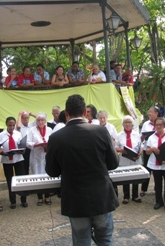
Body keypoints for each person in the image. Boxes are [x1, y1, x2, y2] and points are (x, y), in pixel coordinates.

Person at [45, 94, 119, 245]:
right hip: (101, 196)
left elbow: (52, 171)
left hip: (75, 198)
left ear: (66, 113)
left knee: (81, 242)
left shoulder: (56, 138)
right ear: (85, 112)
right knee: (105, 239)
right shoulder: (101, 131)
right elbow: (113, 164)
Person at [0, 117, 27, 209]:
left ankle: (23, 199)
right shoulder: (2, 135)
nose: (11, 127)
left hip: (18, 158)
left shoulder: (18, 134)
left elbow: (22, 145)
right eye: (9, 125)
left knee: (21, 179)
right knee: (10, 180)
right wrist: (3, 153)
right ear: (6, 125)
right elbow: (0, 147)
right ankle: (13, 200)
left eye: (13, 125)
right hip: (7, 160)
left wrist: (22, 150)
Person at [146, 117, 165, 210]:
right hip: (155, 164)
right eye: (156, 125)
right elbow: (147, 152)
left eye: (160, 125)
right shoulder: (151, 137)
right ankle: (159, 201)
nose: (158, 126)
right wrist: (152, 149)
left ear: (164, 125)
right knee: (157, 184)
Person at [26, 112, 53, 206]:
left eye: (42, 120)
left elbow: (53, 141)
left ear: (45, 121)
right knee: (38, 176)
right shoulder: (32, 130)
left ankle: (47, 196)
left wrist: (48, 145)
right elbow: (28, 143)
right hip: (36, 157)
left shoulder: (49, 129)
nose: (40, 122)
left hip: (46, 156)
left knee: (47, 176)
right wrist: (36, 144)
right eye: (38, 120)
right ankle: (39, 197)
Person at [115, 115, 143, 204]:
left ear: (132, 124)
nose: (128, 124)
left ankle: (135, 195)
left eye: (129, 122)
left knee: (135, 176)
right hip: (124, 158)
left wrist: (140, 152)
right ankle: (126, 196)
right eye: (126, 122)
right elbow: (115, 147)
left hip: (135, 158)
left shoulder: (137, 134)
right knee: (125, 177)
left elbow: (141, 145)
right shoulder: (119, 135)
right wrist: (121, 150)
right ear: (123, 124)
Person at [140, 106, 162, 197]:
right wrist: (143, 137)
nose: (149, 114)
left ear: (156, 113)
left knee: (158, 169)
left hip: (158, 149)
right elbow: (142, 136)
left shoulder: (163, 122)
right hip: (148, 149)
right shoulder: (146, 124)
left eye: (151, 112)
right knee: (147, 169)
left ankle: (158, 188)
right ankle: (143, 188)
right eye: (149, 112)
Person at [16, 111, 37, 175]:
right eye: (24, 118)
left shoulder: (31, 125)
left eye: (27, 118)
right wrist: (19, 115)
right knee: (24, 166)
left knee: (30, 164)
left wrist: (30, 114)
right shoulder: (19, 126)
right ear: (21, 119)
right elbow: (18, 126)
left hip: (30, 147)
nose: (26, 119)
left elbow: (38, 117)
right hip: (22, 148)